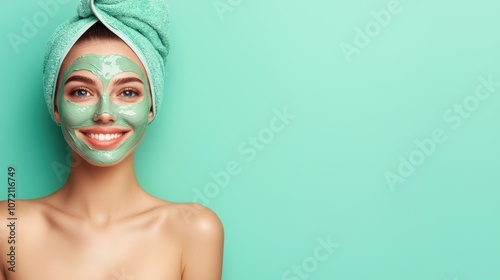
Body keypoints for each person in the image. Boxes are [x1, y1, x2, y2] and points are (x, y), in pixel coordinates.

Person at [0, 1, 224, 279]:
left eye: (128, 92)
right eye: (81, 92)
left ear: (152, 107)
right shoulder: (8, 229)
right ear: (55, 106)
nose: (104, 113)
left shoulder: (194, 231)